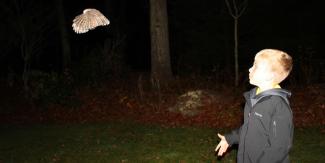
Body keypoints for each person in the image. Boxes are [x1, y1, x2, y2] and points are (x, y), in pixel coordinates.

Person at [215, 49, 294, 163]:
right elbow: (251, 129)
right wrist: (230, 138)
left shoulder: (278, 105)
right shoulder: (254, 97)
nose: (250, 69)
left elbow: (279, 148)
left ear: (269, 75)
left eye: (255, 66)